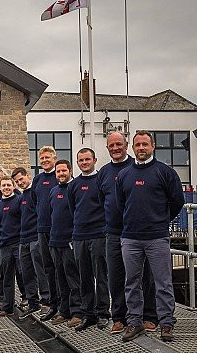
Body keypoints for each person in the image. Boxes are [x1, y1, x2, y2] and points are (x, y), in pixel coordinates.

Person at [116, 130, 184, 342]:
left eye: (145, 144)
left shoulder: (165, 172)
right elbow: (121, 205)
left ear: (153, 146)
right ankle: (135, 322)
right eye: (138, 145)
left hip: (157, 237)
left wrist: (160, 220)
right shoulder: (125, 175)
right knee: (132, 282)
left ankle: (166, 323)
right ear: (133, 148)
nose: (141, 148)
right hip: (130, 238)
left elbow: (177, 201)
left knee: (162, 282)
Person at [97, 132, 158, 334]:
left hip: (137, 232)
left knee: (144, 276)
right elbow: (101, 201)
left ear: (126, 146)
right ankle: (119, 317)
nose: (115, 148)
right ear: (107, 148)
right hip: (113, 233)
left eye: (119, 144)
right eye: (111, 145)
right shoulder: (103, 173)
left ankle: (149, 315)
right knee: (116, 276)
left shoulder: (137, 168)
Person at [67, 148, 110, 331]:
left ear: (94, 160)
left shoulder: (101, 181)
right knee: (84, 277)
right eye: (81, 160)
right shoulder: (73, 185)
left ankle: (102, 313)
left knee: (100, 276)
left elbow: (106, 206)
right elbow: (72, 209)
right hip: (79, 237)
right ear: (77, 163)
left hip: (98, 235)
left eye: (87, 159)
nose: (84, 163)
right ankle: (88, 314)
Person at [48, 160, 82, 328]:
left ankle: (77, 312)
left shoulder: (74, 188)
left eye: (63, 171)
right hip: (55, 241)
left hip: (69, 241)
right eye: (58, 171)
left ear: (69, 170)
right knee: (60, 277)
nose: (60, 174)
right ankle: (64, 310)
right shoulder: (53, 191)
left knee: (72, 277)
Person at [11, 167, 45, 320]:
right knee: (27, 272)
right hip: (23, 239)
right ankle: (33, 303)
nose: (20, 183)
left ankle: (46, 302)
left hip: (35, 237)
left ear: (27, 176)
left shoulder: (34, 193)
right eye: (17, 182)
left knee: (40, 271)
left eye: (21, 179)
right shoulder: (21, 197)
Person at [33, 146, 60, 321]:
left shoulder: (60, 177)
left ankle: (68, 306)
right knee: (48, 268)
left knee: (62, 269)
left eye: (47, 157)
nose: (44, 160)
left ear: (55, 158)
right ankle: (53, 304)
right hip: (42, 230)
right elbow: (35, 202)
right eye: (42, 158)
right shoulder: (37, 180)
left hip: (58, 230)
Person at [0, 176, 22, 317]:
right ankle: (8, 306)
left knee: (24, 274)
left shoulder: (19, 201)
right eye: (3, 185)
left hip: (19, 243)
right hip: (5, 246)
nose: (6, 187)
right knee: (7, 277)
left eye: (8, 185)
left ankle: (29, 301)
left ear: (13, 186)